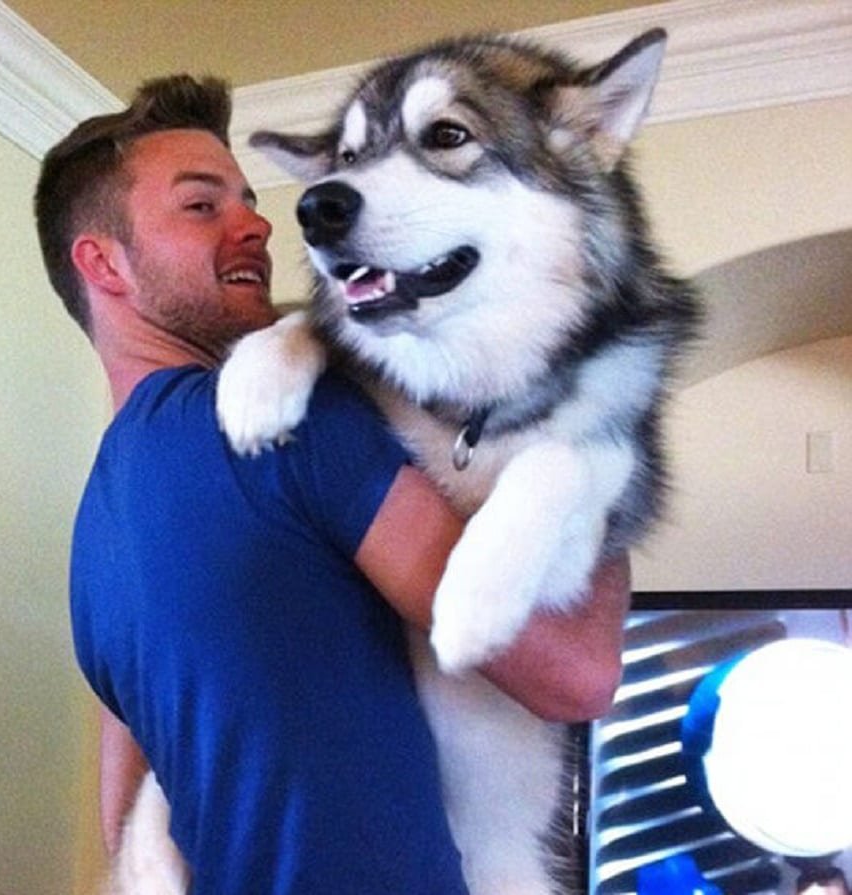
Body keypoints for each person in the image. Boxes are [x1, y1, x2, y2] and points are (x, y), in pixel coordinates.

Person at [35, 74, 630, 894]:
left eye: (248, 202)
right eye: (202, 205)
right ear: (103, 263)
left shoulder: (92, 544)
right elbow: (575, 670)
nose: (254, 225)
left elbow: (124, 833)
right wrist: (595, 453)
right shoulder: (284, 422)